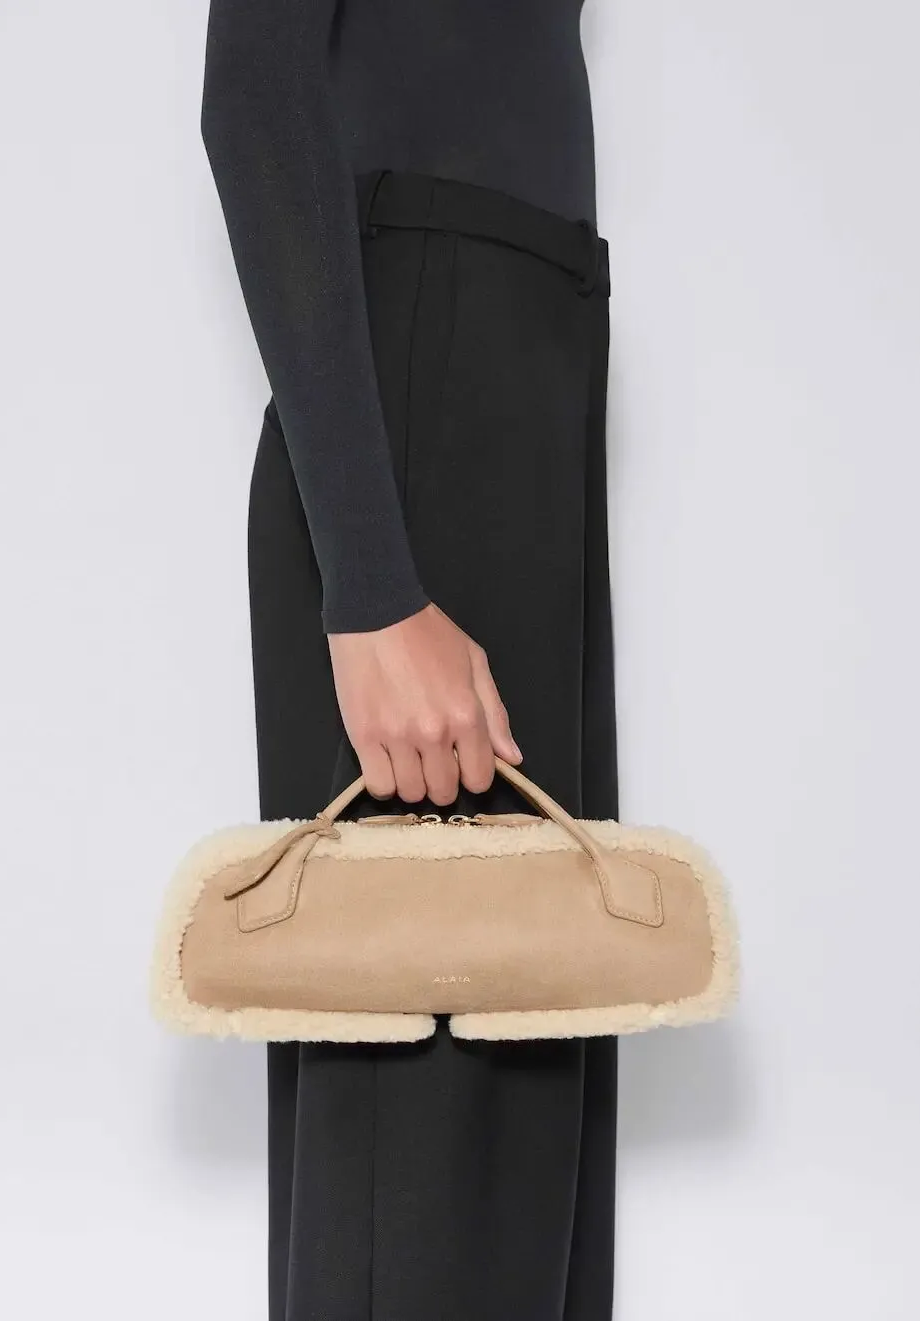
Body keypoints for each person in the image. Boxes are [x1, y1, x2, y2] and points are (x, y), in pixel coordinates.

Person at [200, 2, 620, 1318]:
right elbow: (255, 90)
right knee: (427, 1110)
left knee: (523, 1094)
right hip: (422, 386)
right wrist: (375, 589)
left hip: (524, 364)